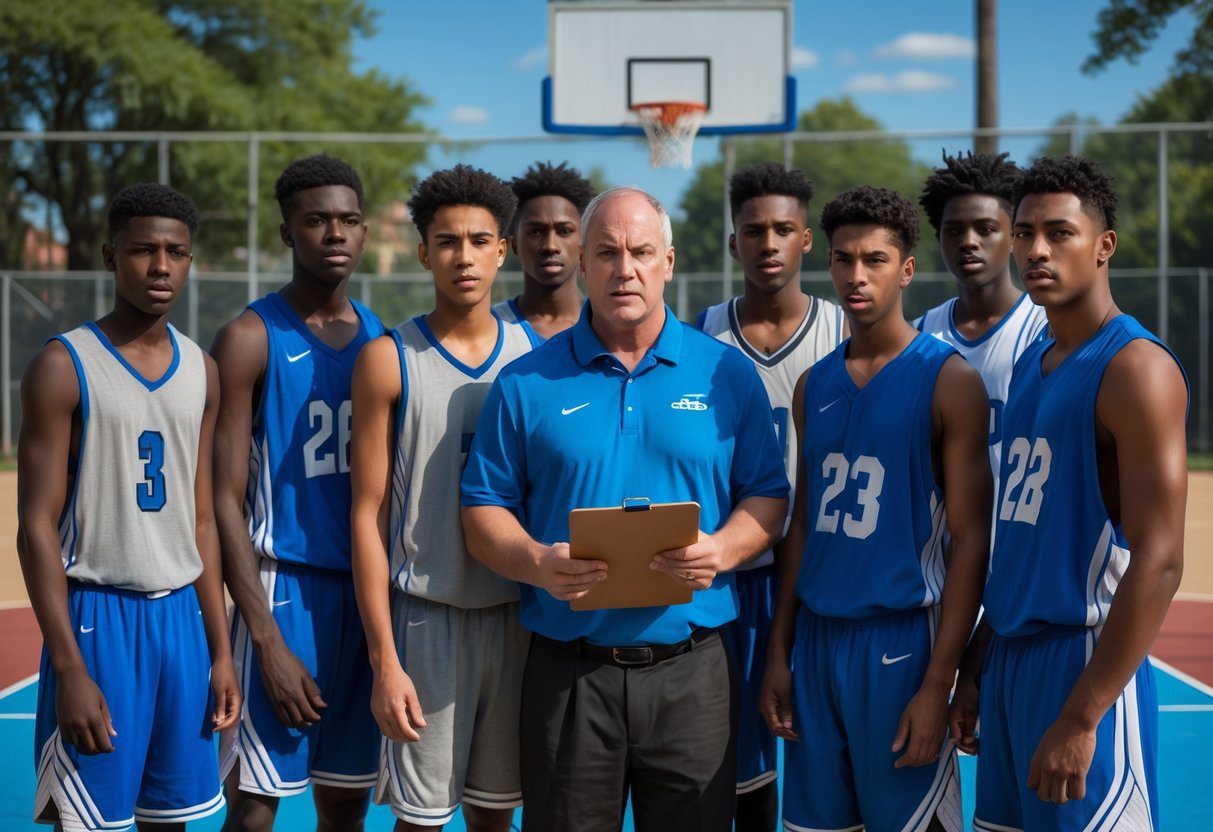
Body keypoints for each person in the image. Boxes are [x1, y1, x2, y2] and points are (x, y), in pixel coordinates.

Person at [461, 186, 790, 832]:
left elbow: (767, 495)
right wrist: (533, 561)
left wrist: (722, 549)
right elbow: (481, 509)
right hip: (568, 675)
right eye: (607, 252)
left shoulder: (725, 374)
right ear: (582, 263)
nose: (625, 268)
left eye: (641, 251)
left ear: (668, 261)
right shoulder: (525, 382)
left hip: (693, 673)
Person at [760, 185, 992, 832]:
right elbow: (800, 525)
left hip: (900, 645)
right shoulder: (813, 385)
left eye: (874, 260)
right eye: (842, 259)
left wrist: (935, 683)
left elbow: (971, 539)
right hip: (817, 643)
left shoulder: (949, 379)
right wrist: (780, 653)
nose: (855, 276)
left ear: (906, 269)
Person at [968, 156, 1187, 832]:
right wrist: (979, 662)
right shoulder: (1033, 364)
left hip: (1079, 662)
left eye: (1058, 233)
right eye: (1024, 232)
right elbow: (1021, 542)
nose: (1035, 250)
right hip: (1008, 660)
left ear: (1103, 246)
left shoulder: (1135, 368)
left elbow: (1160, 559)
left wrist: (1083, 712)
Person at [17, 183, 239, 830]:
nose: (162, 266)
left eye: (177, 252)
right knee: (86, 821)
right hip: (97, 619)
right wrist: (68, 668)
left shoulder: (203, 369)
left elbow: (202, 519)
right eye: (144, 250)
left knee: (170, 820)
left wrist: (220, 649)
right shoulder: (64, 365)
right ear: (111, 256)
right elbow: (34, 525)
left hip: (181, 623)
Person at [350, 164, 537, 831]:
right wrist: (384, 661)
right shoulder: (386, 359)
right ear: (424, 251)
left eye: (480, 240)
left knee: (496, 814)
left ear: (503, 249)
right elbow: (367, 517)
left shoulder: (538, 357)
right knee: (420, 820)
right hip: (426, 616)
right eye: (448, 241)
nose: (464, 256)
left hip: (519, 616)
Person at [212, 155, 386, 831]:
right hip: (284, 590)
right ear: (287, 232)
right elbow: (223, 498)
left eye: (346, 220)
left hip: (365, 593)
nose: (333, 233)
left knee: (343, 803)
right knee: (255, 807)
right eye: (315, 221)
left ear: (365, 233)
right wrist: (265, 637)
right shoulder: (249, 338)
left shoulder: (383, 340)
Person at [694, 162, 845, 831]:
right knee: (739, 779)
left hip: (821, 586)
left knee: (831, 774)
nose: (767, 242)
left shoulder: (844, 330)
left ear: (806, 240)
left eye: (783, 228)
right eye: (752, 231)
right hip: (733, 581)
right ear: (733, 245)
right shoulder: (700, 335)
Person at [916, 150, 1048, 477]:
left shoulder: (1046, 329)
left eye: (985, 228)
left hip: (1021, 527)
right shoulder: (918, 336)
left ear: (1016, 236)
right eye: (954, 231)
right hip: (944, 529)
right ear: (939, 239)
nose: (968, 241)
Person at [494, 161, 595, 339]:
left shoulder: (608, 325)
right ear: (514, 244)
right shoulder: (490, 329)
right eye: (535, 232)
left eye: (564, 231)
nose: (550, 246)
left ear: (583, 244)